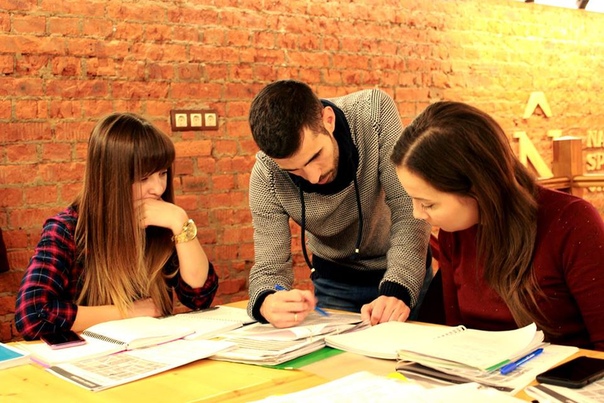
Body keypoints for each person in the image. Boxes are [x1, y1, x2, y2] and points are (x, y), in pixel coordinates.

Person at [390, 100, 604, 350]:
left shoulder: (571, 222)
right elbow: (454, 333)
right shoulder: (454, 233)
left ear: (478, 188)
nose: (417, 214)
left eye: (428, 204)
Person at [15, 112, 218, 340]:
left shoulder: (160, 221)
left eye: (162, 174)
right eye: (143, 178)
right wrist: (128, 312)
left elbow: (199, 297)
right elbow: (33, 316)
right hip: (93, 354)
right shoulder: (68, 230)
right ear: (110, 179)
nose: (158, 188)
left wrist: (181, 222)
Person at [247, 80, 432, 328]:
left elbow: (407, 205)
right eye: (294, 171)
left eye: (315, 156)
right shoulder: (267, 175)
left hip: (404, 270)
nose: (314, 177)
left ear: (328, 120)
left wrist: (399, 287)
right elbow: (269, 267)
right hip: (335, 282)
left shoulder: (373, 113)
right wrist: (266, 301)